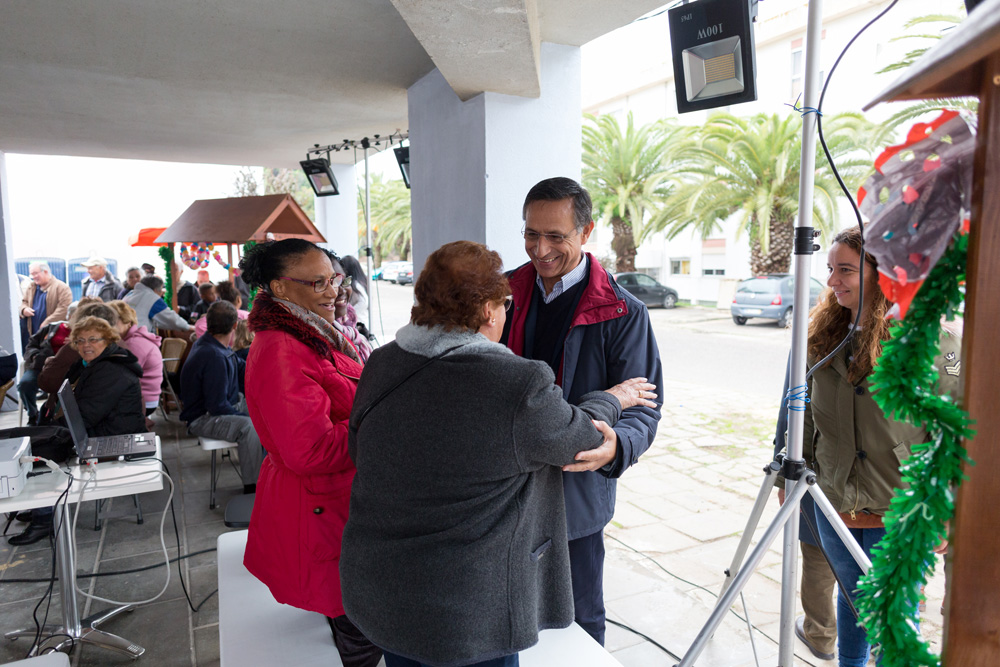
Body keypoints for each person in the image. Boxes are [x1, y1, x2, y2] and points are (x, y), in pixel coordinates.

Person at [340, 241, 656, 667]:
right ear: (488, 311)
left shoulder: (382, 363)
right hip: (467, 613)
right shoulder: (515, 383)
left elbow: (359, 448)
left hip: (381, 590)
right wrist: (613, 398)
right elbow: (580, 437)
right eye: (505, 303)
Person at [787, 226, 961, 667]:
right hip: (833, 499)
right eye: (830, 269)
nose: (832, 280)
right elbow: (804, 412)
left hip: (901, 505)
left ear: (883, 274)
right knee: (852, 598)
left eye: (845, 270)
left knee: (894, 614)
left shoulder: (933, 340)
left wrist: (946, 508)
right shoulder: (822, 336)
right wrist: (793, 476)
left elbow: (954, 432)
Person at [500, 176, 663, 645]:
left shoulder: (623, 311)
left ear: (586, 231)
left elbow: (644, 404)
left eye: (556, 236)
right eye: (531, 233)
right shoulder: (503, 293)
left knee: (580, 616)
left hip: (576, 491)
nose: (540, 249)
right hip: (506, 483)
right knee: (507, 609)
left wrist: (618, 446)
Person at [239, 238, 379, 667]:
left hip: (335, 504)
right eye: (318, 283)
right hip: (322, 510)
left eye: (334, 279)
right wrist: (380, 420)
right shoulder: (284, 348)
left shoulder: (313, 332)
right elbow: (310, 451)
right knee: (358, 629)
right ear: (280, 288)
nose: (333, 291)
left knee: (356, 618)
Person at [9, 312, 146, 546]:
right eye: (80, 341)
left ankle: (45, 518)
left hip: (114, 437)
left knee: (44, 453)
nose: (85, 345)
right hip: (103, 429)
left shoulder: (110, 370)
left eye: (93, 339)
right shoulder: (96, 363)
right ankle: (44, 507)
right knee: (40, 442)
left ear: (108, 340)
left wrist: (51, 432)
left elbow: (85, 416)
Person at [180, 301, 265, 494]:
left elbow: (244, 369)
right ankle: (254, 488)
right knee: (249, 427)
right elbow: (217, 406)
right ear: (235, 325)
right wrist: (250, 416)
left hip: (222, 405)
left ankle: (272, 472)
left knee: (268, 411)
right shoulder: (214, 357)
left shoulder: (214, 345)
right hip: (203, 418)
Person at [108, 300, 163, 418]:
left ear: (128, 322)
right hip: (143, 397)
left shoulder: (134, 343)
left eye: (113, 322)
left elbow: (122, 377)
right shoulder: (130, 340)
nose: (109, 327)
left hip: (144, 400)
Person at [326, 251, 372, 363]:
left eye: (344, 281)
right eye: (332, 283)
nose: (342, 290)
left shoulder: (351, 328)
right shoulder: (321, 340)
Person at [123, 275, 192, 333]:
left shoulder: (130, 294)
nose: (161, 293)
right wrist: (188, 327)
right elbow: (171, 318)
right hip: (135, 337)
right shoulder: (152, 297)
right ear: (156, 290)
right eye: (161, 290)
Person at [20, 261, 72, 337]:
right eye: (31, 274)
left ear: (45, 272)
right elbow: (24, 302)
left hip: (53, 334)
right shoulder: (31, 287)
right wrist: (24, 309)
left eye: (35, 273)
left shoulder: (61, 287)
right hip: (33, 334)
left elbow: (64, 309)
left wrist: (47, 323)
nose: (33, 277)